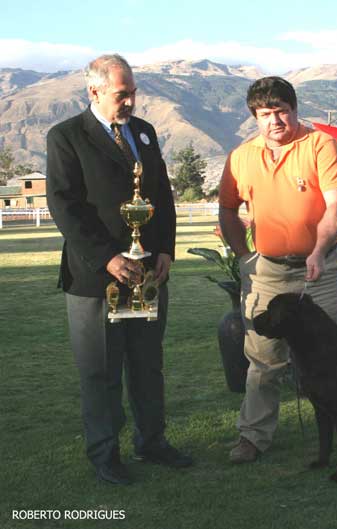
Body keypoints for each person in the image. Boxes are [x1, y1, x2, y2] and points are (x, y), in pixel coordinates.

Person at [218, 76, 337, 464]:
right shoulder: (240, 157)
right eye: (265, 114)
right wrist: (244, 256)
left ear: (294, 109)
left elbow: (335, 207)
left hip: (320, 269)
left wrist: (319, 250)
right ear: (254, 117)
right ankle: (253, 436)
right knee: (263, 359)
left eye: (281, 111)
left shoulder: (321, 146)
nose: (274, 120)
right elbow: (227, 209)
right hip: (267, 272)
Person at [46, 54, 192, 485]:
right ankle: (105, 454)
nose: (130, 101)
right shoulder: (66, 136)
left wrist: (165, 250)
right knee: (101, 371)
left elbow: (162, 196)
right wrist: (108, 257)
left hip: (147, 274)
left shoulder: (144, 132)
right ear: (94, 91)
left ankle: (153, 442)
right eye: (121, 94)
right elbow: (64, 206)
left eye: (133, 93)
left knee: (148, 365)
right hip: (97, 278)